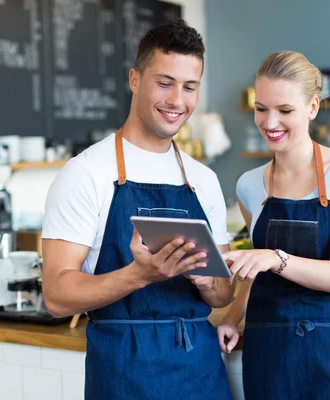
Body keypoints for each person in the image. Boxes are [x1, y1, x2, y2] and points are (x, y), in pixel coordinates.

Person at [41, 19, 234, 399]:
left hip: (201, 373)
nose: (178, 101)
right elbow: (56, 295)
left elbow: (223, 295)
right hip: (123, 373)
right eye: (164, 83)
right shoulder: (86, 173)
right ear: (134, 79)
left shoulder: (203, 180)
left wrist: (205, 280)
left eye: (189, 87)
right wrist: (138, 275)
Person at [217, 50, 330, 400]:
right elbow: (255, 271)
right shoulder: (249, 185)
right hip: (268, 348)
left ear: (312, 107)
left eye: (285, 110)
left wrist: (277, 257)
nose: (270, 122)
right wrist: (231, 317)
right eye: (261, 109)